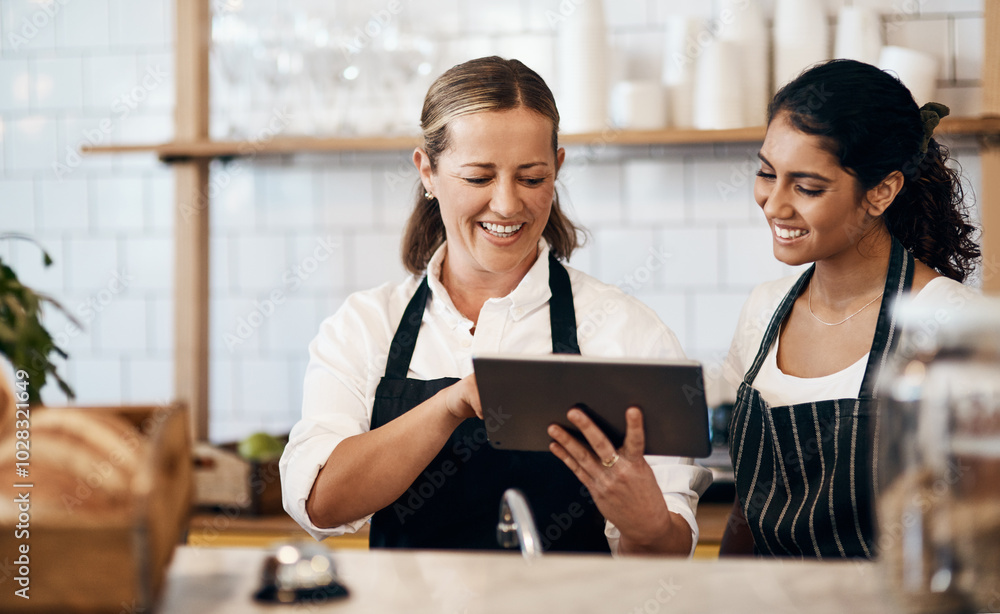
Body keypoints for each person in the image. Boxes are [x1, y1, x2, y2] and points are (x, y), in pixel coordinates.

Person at [280, 56, 711, 555]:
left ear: (558, 170)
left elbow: (667, 553)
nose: (507, 204)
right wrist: (450, 405)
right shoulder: (365, 326)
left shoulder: (626, 331)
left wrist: (647, 523)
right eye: (479, 178)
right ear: (428, 171)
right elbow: (320, 504)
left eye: (531, 178)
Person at [719, 59, 981, 558]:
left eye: (807, 187)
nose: (773, 204)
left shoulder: (949, 325)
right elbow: (745, 509)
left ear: (882, 191)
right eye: (766, 173)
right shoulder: (763, 310)